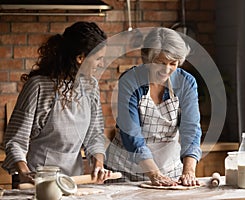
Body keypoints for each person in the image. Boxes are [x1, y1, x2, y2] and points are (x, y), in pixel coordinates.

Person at [2, 21, 111, 187]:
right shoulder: (38, 87)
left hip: (74, 181)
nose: (101, 64)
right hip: (37, 180)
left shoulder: (91, 86)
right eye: (99, 59)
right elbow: (15, 140)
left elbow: (94, 134)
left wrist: (98, 164)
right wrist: (24, 173)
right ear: (80, 58)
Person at [106, 27, 202, 186]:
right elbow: (131, 134)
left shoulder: (186, 82)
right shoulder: (130, 81)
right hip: (125, 170)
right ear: (147, 59)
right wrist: (154, 173)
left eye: (173, 63)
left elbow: (191, 129)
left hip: (169, 170)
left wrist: (189, 171)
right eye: (160, 62)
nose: (166, 69)